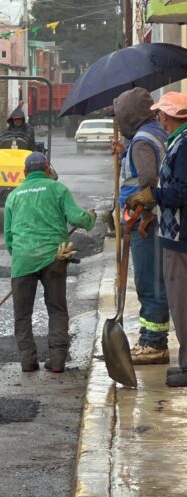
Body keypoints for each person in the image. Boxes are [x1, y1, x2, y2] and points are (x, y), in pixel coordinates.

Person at [4, 153, 96, 373]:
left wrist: (22, 256)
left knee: (22, 314)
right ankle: (57, 361)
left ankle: (27, 361)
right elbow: (79, 218)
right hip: (54, 257)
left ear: (25, 172)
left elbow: (8, 237)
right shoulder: (58, 189)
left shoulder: (14, 196)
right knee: (56, 309)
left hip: (23, 260)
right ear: (48, 169)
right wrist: (91, 216)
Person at [127, 92, 187, 387]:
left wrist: (150, 201)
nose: (159, 119)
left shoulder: (178, 143)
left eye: (162, 115)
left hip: (169, 230)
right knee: (173, 296)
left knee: (168, 294)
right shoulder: (170, 140)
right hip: (170, 228)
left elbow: (175, 188)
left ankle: (167, 352)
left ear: (167, 116)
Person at [112, 88, 170, 365]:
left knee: (150, 283)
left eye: (119, 115)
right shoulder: (153, 132)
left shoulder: (142, 141)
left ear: (128, 115)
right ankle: (150, 339)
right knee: (153, 281)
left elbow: (148, 176)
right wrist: (125, 153)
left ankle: (154, 344)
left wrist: (146, 211)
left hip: (145, 221)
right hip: (150, 218)